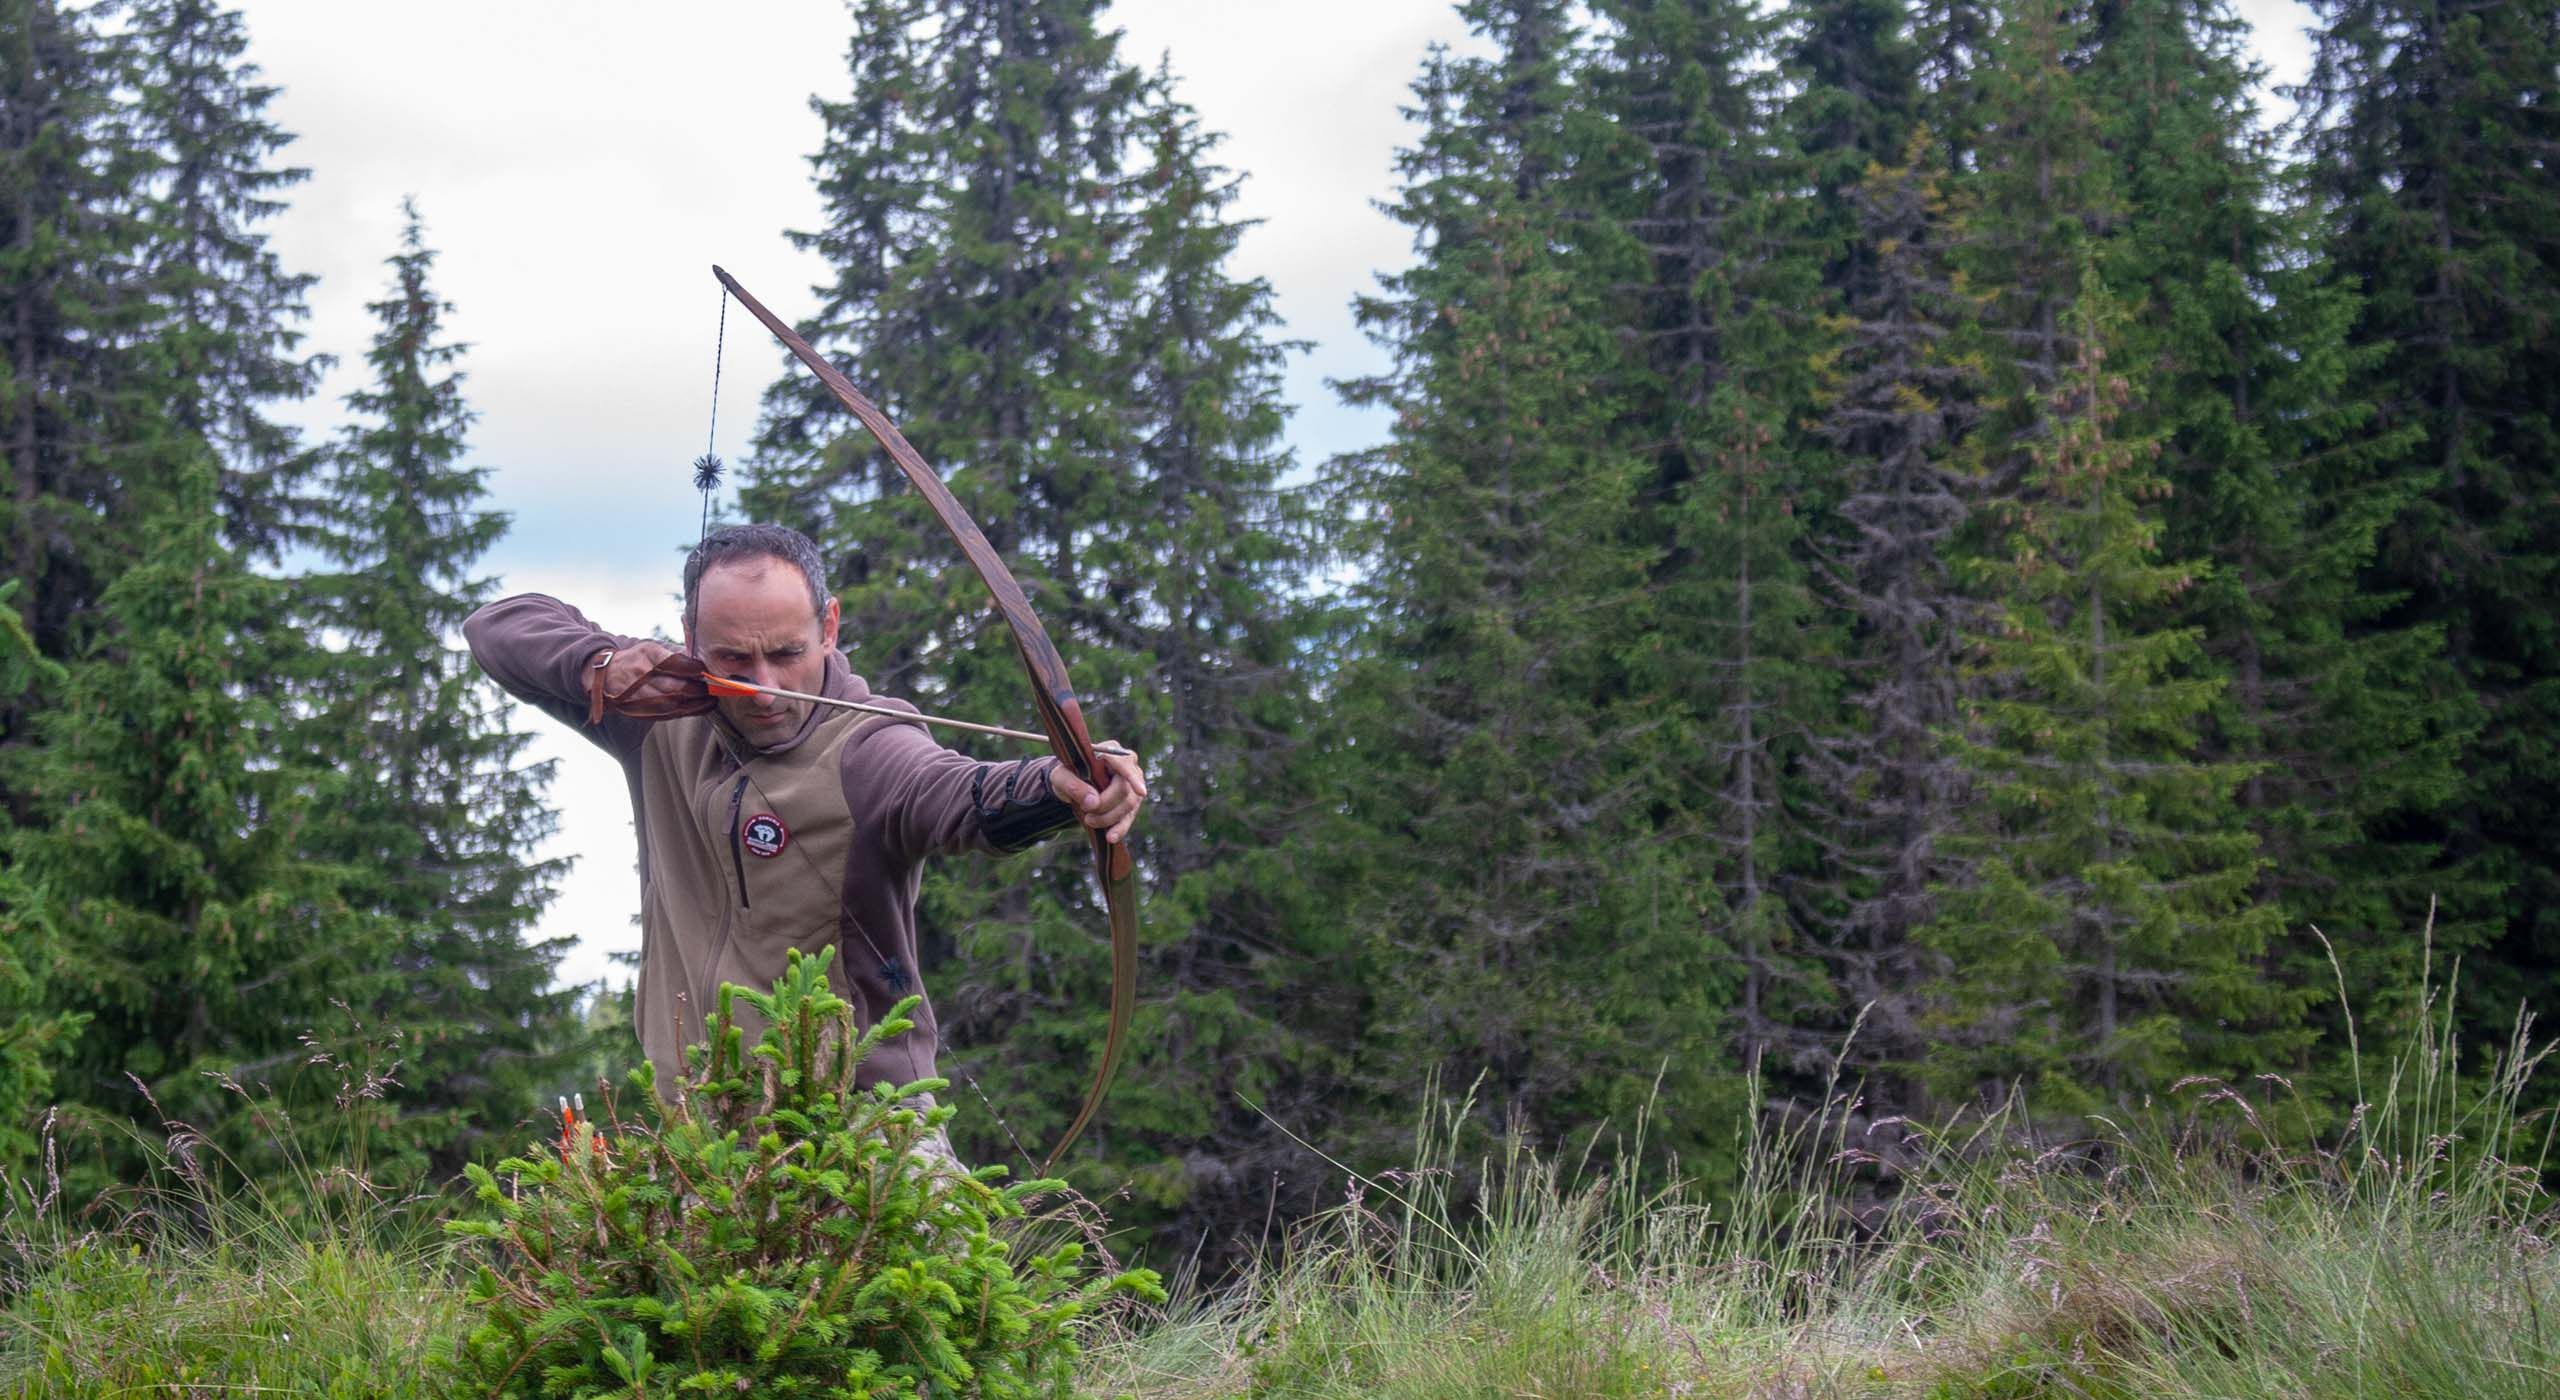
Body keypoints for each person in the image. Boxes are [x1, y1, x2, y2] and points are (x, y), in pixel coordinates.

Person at [464, 523, 1146, 1161]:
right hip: (696, 1126)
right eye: (733, 657)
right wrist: (597, 664)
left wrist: (1059, 785)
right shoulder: (656, 714)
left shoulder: (871, 750)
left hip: (865, 1130)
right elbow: (496, 627)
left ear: (829, 626)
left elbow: (958, 793)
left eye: (787, 653)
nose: (764, 688)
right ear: (690, 638)